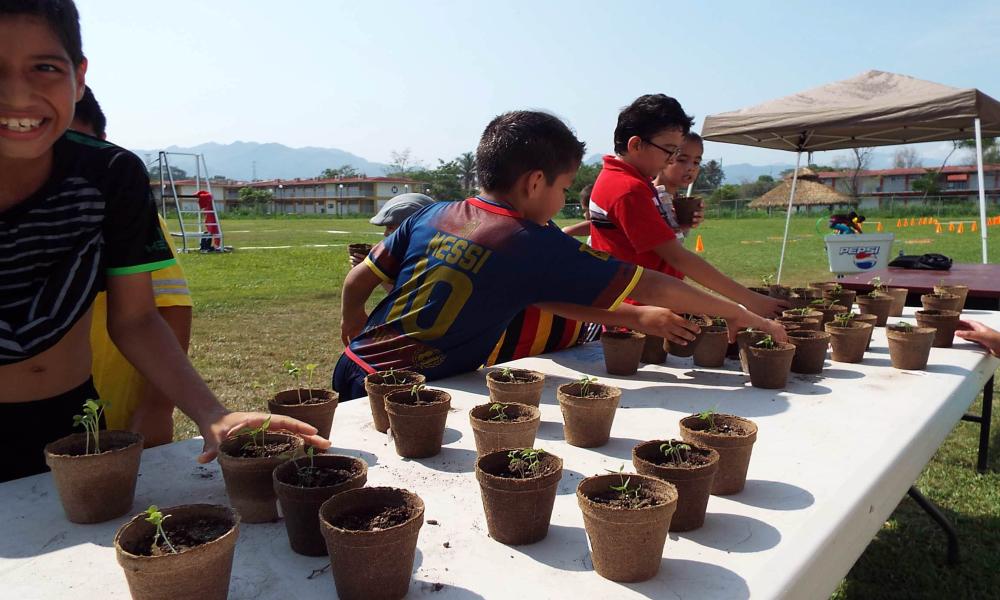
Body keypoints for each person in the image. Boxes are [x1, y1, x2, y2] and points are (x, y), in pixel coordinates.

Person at [0, 0, 328, 481]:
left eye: (44, 67)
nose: (18, 95)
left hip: (71, 418)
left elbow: (135, 319)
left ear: (78, 76)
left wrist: (213, 414)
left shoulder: (111, 175)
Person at [334, 110, 785, 400]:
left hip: (353, 362)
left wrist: (352, 320)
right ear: (535, 183)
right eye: (565, 188)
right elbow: (651, 282)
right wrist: (744, 312)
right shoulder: (531, 239)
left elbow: (358, 282)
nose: (562, 200)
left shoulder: (433, 213)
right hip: (400, 392)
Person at [589, 94, 786, 318]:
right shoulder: (628, 189)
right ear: (636, 145)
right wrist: (748, 301)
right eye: (669, 150)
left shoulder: (629, 180)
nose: (672, 159)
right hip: (639, 315)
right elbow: (677, 257)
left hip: (649, 308)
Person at [70, 86, 192, 447]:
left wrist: (157, 407)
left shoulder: (125, 213)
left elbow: (170, 308)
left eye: (77, 145)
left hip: (113, 417)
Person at [652, 131, 706, 238]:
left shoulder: (677, 200)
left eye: (696, 162)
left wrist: (686, 224)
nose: (691, 168)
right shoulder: (647, 196)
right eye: (682, 160)